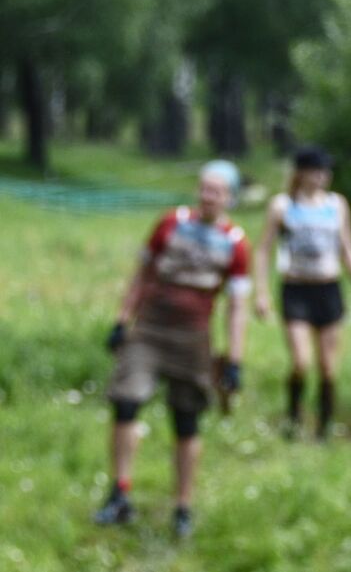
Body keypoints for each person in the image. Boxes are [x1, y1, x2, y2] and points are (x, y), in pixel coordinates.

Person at [95, 160, 250, 538]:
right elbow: (142, 276)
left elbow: (237, 307)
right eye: (203, 187)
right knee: (126, 402)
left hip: (193, 340)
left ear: (229, 197)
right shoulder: (170, 224)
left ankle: (182, 506)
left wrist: (234, 357)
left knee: (186, 420)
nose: (207, 195)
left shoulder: (235, 244)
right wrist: (122, 319)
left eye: (215, 190)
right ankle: (120, 493)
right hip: (149, 330)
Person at [252, 145, 351, 439]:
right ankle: (293, 416)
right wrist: (261, 292)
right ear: (301, 173)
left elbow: (349, 249)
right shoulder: (282, 206)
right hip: (296, 291)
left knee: (328, 368)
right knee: (300, 362)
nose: (322, 176)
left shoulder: (336, 205)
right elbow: (264, 250)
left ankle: (324, 426)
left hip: (328, 291)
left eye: (325, 171)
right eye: (316, 170)